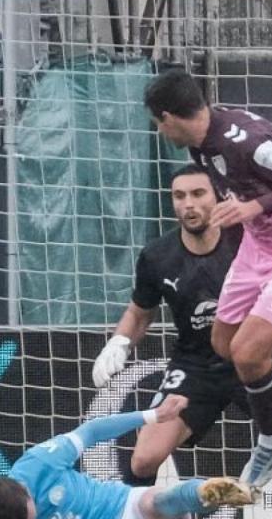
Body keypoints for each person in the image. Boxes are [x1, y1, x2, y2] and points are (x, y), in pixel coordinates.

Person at [145, 68, 272, 489]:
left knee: (246, 353)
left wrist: (252, 208)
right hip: (256, 248)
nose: (158, 130)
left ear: (169, 116)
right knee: (223, 343)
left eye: (157, 122)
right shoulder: (202, 146)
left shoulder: (244, 141)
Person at [92, 164, 244, 486]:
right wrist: (118, 342)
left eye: (198, 193)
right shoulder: (157, 256)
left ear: (218, 196)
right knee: (144, 459)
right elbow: (139, 313)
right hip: (195, 367)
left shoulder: (247, 241)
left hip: (251, 357)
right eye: (179, 196)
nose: (188, 204)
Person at [0, 396, 253, 519]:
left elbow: (92, 430)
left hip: (120, 507)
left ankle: (207, 492)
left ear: (24, 489)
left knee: (153, 502)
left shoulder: (40, 462)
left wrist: (153, 416)